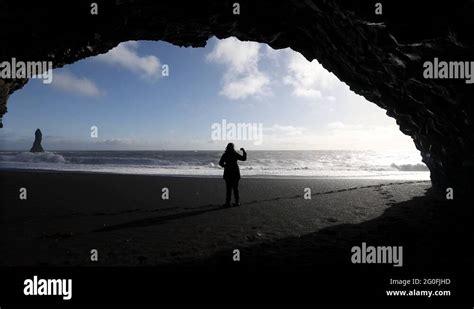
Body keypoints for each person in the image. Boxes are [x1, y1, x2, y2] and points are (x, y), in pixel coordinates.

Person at [219, 143, 247, 207]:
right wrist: (243, 151)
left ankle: (227, 203)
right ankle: (237, 202)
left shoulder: (225, 154)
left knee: (228, 189)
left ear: (227, 147)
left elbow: (220, 163)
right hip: (235, 173)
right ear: (233, 147)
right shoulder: (234, 154)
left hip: (227, 173)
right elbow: (244, 158)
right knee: (235, 188)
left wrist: (225, 166)